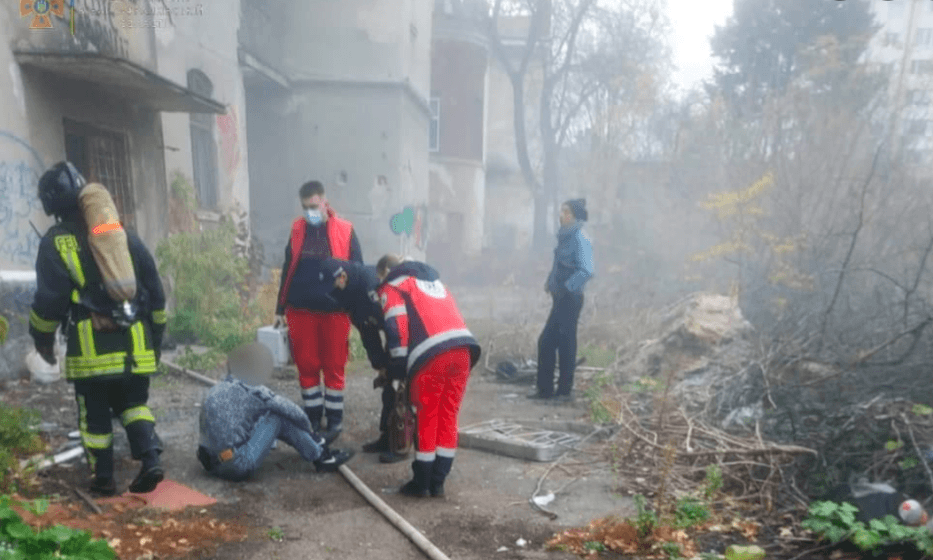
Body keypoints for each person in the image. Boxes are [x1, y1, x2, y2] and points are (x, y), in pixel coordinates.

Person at [29, 162, 166, 496]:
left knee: (94, 415)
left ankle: (103, 479)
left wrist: (42, 341)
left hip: (92, 348)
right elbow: (156, 292)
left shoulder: (54, 243)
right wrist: (157, 339)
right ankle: (150, 461)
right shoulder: (121, 237)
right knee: (134, 404)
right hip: (136, 342)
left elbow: (49, 302)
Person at [377, 255, 481, 497]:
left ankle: (421, 483)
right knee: (448, 416)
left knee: (427, 416)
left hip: (431, 355)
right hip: (463, 350)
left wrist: (397, 371)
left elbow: (396, 327)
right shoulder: (437, 284)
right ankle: (438, 481)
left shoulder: (393, 286)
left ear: (388, 271)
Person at [273, 180, 363, 444]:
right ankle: (312, 416)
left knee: (334, 365)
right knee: (307, 365)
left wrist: (355, 304)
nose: (310, 212)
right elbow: (288, 267)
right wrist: (280, 307)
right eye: (305, 207)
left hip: (335, 310)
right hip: (300, 309)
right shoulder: (297, 229)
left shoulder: (345, 230)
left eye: (314, 206)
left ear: (325, 202)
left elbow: (357, 270)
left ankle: (334, 420)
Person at [196, 342, 352, 481]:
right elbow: (292, 411)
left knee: (259, 414)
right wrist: (311, 432)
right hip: (236, 466)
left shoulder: (216, 389)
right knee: (277, 416)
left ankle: (313, 444)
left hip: (209, 464)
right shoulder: (253, 389)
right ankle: (320, 455)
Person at [320, 254, 407, 464]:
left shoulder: (371, 284)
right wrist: (380, 365)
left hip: (406, 333)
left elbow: (396, 323)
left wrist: (398, 364)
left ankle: (402, 444)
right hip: (394, 335)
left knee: (401, 388)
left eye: (336, 285)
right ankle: (387, 438)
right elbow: (368, 333)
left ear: (342, 277)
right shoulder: (352, 298)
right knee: (389, 387)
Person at [529, 198, 595, 403]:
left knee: (564, 344)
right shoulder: (565, 237)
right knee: (548, 342)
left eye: (565, 212)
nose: (561, 215)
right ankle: (545, 391)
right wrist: (550, 282)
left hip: (571, 298)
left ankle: (564, 392)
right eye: (561, 211)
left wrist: (567, 288)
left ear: (575, 216)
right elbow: (559, 265)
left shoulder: (580, 238)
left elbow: (587, 270)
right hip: (560, 299)